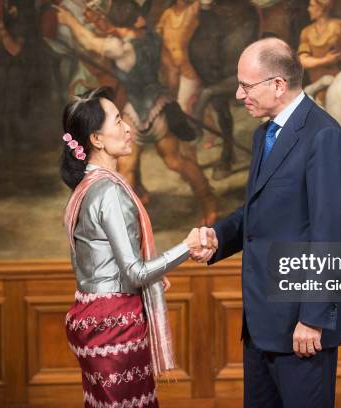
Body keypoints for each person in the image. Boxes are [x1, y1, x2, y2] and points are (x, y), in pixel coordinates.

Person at [195, 38, 341, 407]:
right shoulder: (263, 133)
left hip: (301, 324)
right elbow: (258, 212)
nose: (238, 94)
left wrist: (313, 318)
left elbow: (331, 235)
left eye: (246, 86)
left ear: (278, 85)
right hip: (261, 323)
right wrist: (217, 237)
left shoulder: (324, 137)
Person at [60, 87, 216, 407]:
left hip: (91, 317)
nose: (129, 127)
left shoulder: (86, 187)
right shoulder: (109, 192)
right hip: (113, 323)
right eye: (118, 121)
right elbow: (135, 273)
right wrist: (187, 246)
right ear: (96, 139)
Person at [54, 0, 218, 225]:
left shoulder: (118, 47)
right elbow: (170, 71)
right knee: (175, 160)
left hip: (135, 111)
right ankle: (209, 202)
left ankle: (125, 223)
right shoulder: (151, 37)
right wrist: (167, 95)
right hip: (159, 106)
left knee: (127, 169)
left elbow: (90, 42)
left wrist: (70, 21)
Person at [298, 0, 341, 102]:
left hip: (340, 83)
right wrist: (326, 60)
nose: (308, 9)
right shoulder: (306, 32)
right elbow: (302, 61)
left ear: (322, 8)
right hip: (317, 86)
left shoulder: (339, 26)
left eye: (312, 6)